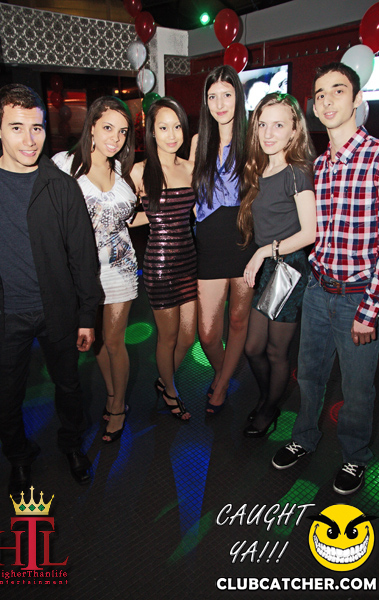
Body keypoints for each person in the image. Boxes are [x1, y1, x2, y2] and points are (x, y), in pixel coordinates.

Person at [272, 62, 379, 495]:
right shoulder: (319, 166)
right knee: (309, 375)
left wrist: (370, 309)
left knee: (357, 389)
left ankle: (354, 455)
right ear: (315, 108)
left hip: (360, 297)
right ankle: (303, 438)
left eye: (338, 90)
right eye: (320, 94)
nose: (327, 100)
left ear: (357, 99)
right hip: (319, 289)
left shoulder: (378, 158)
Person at [0, 84, 101, 497]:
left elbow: (83, 257)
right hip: (3, 314)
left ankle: (71, 445)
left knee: (69, 387)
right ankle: (19, 457)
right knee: (4, 397)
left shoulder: (60, 186)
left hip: (57, 310)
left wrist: (87, 316)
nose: (30, 139)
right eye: (17, 127)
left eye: (36, 127)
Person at [53, 96, 137, 443]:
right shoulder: (64, 164)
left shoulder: (122, 171)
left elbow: (128, 219)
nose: (115, 137)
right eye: (108, 128)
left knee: (115, 341)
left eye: (122, 131)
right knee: (98, 341)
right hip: (82, 272)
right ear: (91, 127)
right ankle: (112, 392)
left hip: (120, 267)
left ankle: (117, 406)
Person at [238, 92, 316, 438]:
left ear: (294, 130)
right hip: (271, 266)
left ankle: (269, 407)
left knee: (274, 349)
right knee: (253, 347)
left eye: (279, 125)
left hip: (289, 268)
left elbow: (309, 233)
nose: (269, 133)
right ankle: (269, 397)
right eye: (262, 125)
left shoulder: (297, 172)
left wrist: (262, 253)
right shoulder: (259, 169)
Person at [191, 65, 257, 414]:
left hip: (245, 241)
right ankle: (224, 374)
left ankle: (220, 386)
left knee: (238, 321)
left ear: (238, 98)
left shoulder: (253, 141)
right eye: (212, 96)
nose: (219, 103)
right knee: (207, 333)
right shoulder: (198, 142)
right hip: (209, 244)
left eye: (227, 95)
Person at [131, 98, 196, 420]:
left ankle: (164, 378)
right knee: (168, 337)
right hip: (159, 265)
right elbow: (124, 217)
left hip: (189, 261)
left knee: (188, 336)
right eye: (163, 127)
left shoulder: (190, 168)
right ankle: (170, 390)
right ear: (152, 132)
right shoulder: (140, 171)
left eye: (177, 127)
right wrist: (154, 216)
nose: (172, 135)